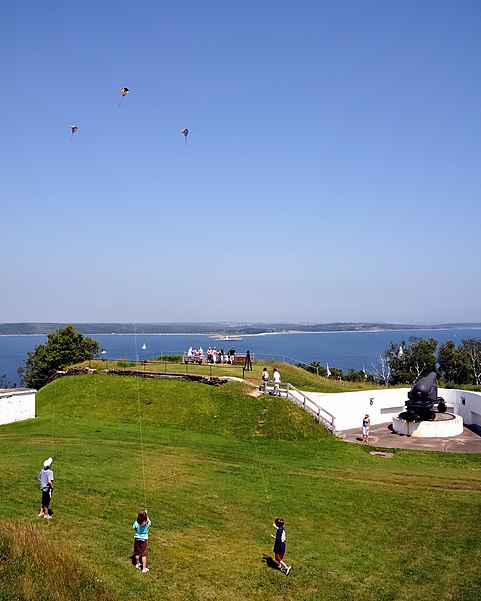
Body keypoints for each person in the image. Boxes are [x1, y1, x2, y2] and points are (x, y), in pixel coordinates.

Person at [133, 509, 151, 573]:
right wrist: (146, 514)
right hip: (144, 539)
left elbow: (134, 528)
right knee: (143, 554)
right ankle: (143, 568)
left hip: (137, 538)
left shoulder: (136, 523)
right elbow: (148, 520)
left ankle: (137, 564)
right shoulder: (148, 523)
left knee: (137, 552)